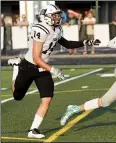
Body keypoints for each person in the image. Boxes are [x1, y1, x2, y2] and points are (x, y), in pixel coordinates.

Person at [8, 4, 101, 139]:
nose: (58, 17)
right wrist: (54, 70)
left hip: (42, 67)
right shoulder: (41, 30)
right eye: (55, 15)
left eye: (58, 15)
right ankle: (16, 68)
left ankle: (33, 129)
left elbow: (67, 44)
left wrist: (87, 42)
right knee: (17, 96)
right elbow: (36, 57)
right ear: (46, 17)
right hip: (29, 66)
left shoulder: (56, 29)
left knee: (47, 98)